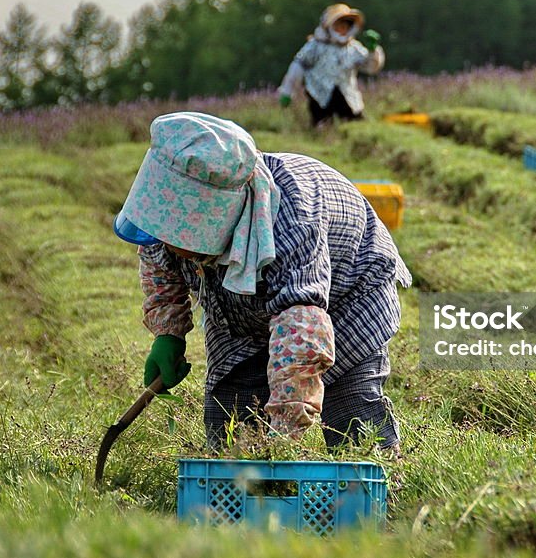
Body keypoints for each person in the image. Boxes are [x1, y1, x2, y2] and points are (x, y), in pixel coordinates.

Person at [113, 112, 411, 453]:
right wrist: (168, 333)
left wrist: (280, 441)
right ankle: (238, 494)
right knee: (231, 409)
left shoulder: (292, 220)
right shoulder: (170, 228)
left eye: (176, 233)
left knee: (353, 410)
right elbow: (157, 257)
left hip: (346, 297)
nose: (165, 241)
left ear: (215, 220)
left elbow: (302, 336)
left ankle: (365, 492)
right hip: (242, 305)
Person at [278, 3, 385, 126]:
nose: (343, 30)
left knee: (355, 125)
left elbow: (371, 68)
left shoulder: (353, 48)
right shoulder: (315, 46)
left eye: (345, 26)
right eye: (339, 26)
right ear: (329, 26)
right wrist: (287, 91)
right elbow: (297, 67)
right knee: (322, 126)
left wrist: (373, 51)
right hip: (319, 96)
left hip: (347, 96)